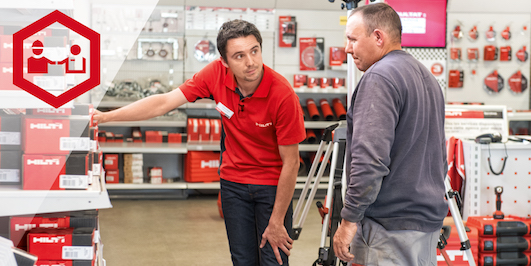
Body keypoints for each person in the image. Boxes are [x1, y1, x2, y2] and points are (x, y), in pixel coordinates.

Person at [93, 19, 306, 266]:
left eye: (254, 51)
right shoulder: (215, 74)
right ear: (224, 62)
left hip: (272, 187)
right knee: (242, 260)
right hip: (234, 185)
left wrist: (278, 220)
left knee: (274, 260)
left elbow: (291, 163)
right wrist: (106, 117)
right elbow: (163, 102)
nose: (250, 62)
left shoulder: (282, 94)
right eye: (239, 56)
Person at [332, 3, 448, 266]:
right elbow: (440, 157)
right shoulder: (428, 79)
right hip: (424, 226)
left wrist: (349, 220)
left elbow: (370, 160)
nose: (348, 48)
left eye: (352, 39)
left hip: (388, 229)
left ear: (378, 37)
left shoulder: (379, 78)